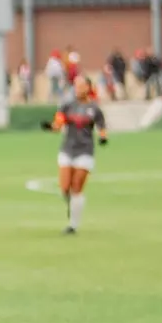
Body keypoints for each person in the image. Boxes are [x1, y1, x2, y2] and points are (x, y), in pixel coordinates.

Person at [40, 76, 107, 234]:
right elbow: (58, 123)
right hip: (67, 149)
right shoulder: (67, 105)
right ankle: (73, 205)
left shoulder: (94, 109)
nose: (78, 89)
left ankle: (73, 225)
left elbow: (101, 126)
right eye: (76, 86)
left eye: (81, 86)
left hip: (85, 150)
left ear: (88, 88)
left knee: (77, 186)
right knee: (64, 187)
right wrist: (51, 127)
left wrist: (103, 137)